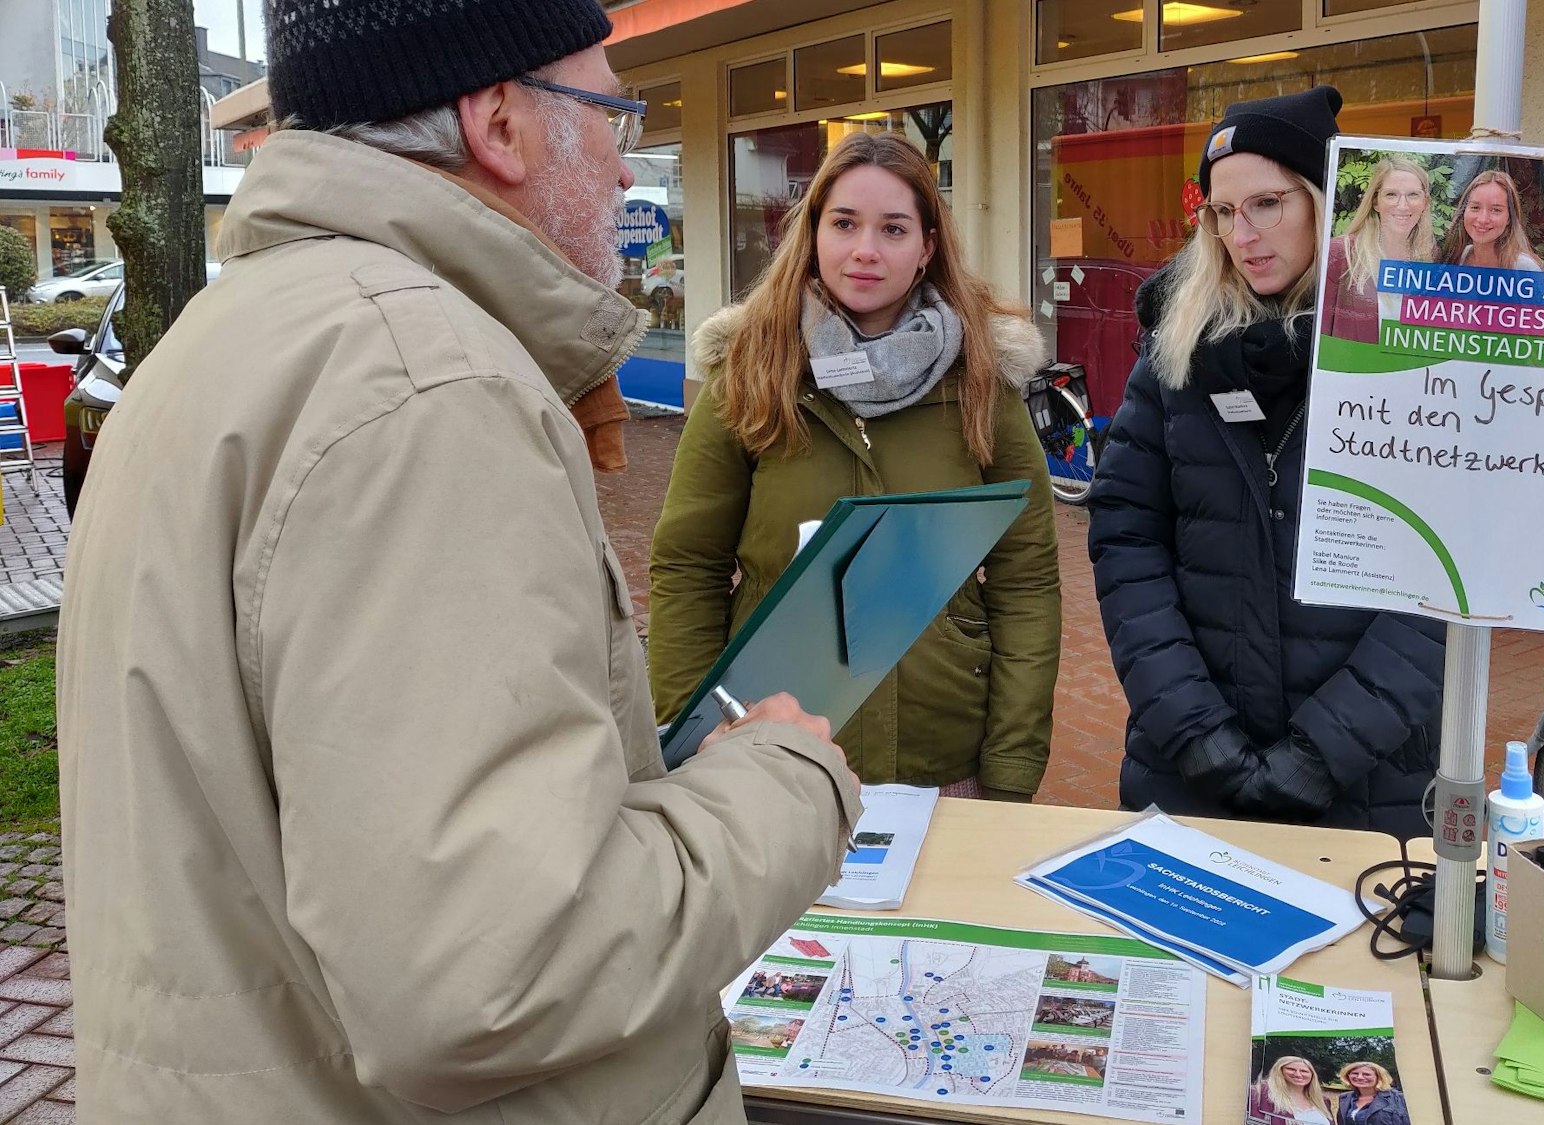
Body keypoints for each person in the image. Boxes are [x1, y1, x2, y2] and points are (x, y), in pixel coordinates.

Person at [55, 2, 861, 1122]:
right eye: (613, 113)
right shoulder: (425, 389)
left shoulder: (235, 338)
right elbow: (499, 976)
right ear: (500, 123)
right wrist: (782, 781)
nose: (625, 168)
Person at [649, 132, 1062, 801]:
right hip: (770, 753)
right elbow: (687, 567)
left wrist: (1011, 767)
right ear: (814, 234)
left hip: (941, 756)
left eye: (893, 229)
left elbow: (1027, 581)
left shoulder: (984, 380)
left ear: (926, 247)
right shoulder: (752, 374)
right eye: (844, 224)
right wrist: (697, 733)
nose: (866, 249)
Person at [1088, 86, 1447, 835]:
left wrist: (1322, 751)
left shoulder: (1410, 353)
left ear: (1322, 201)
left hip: (1365, 779)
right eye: (1223, 211)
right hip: (1190, 768)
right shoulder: (1174, 354)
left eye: (1267, 204)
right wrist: (1196, 732)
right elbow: (1128, 541)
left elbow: (1439, 582)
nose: (1242, 233)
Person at [1322, 155, 1436, 344]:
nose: (1402, 205)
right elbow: (1320, 338)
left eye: (1413, 195)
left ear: (1425, 202)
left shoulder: (1430, 255)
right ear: (1375, 202)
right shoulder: (1340, 253)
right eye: (1391, 194)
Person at [1442, 168, 1544, 271]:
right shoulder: (1457, 258)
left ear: (1509, 217)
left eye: (1495, 210)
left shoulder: (1525, 269)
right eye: (1475, 208)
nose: (1483, 219)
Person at [1247, 1056, 1336, 1125]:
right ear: (1280, 1071)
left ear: (1312, 1075)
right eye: (1291, 1069)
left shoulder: (1323, 1102)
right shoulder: (1260, 1095)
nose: (1298, 1074)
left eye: (1304, 1071)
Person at [1335, 1061, 1411, 1125]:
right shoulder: (1344, 1098)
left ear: (1379, 1077)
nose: (1360, 1077)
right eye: (1355, 1073)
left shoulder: (1398, 1098)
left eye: (1366, 1074)